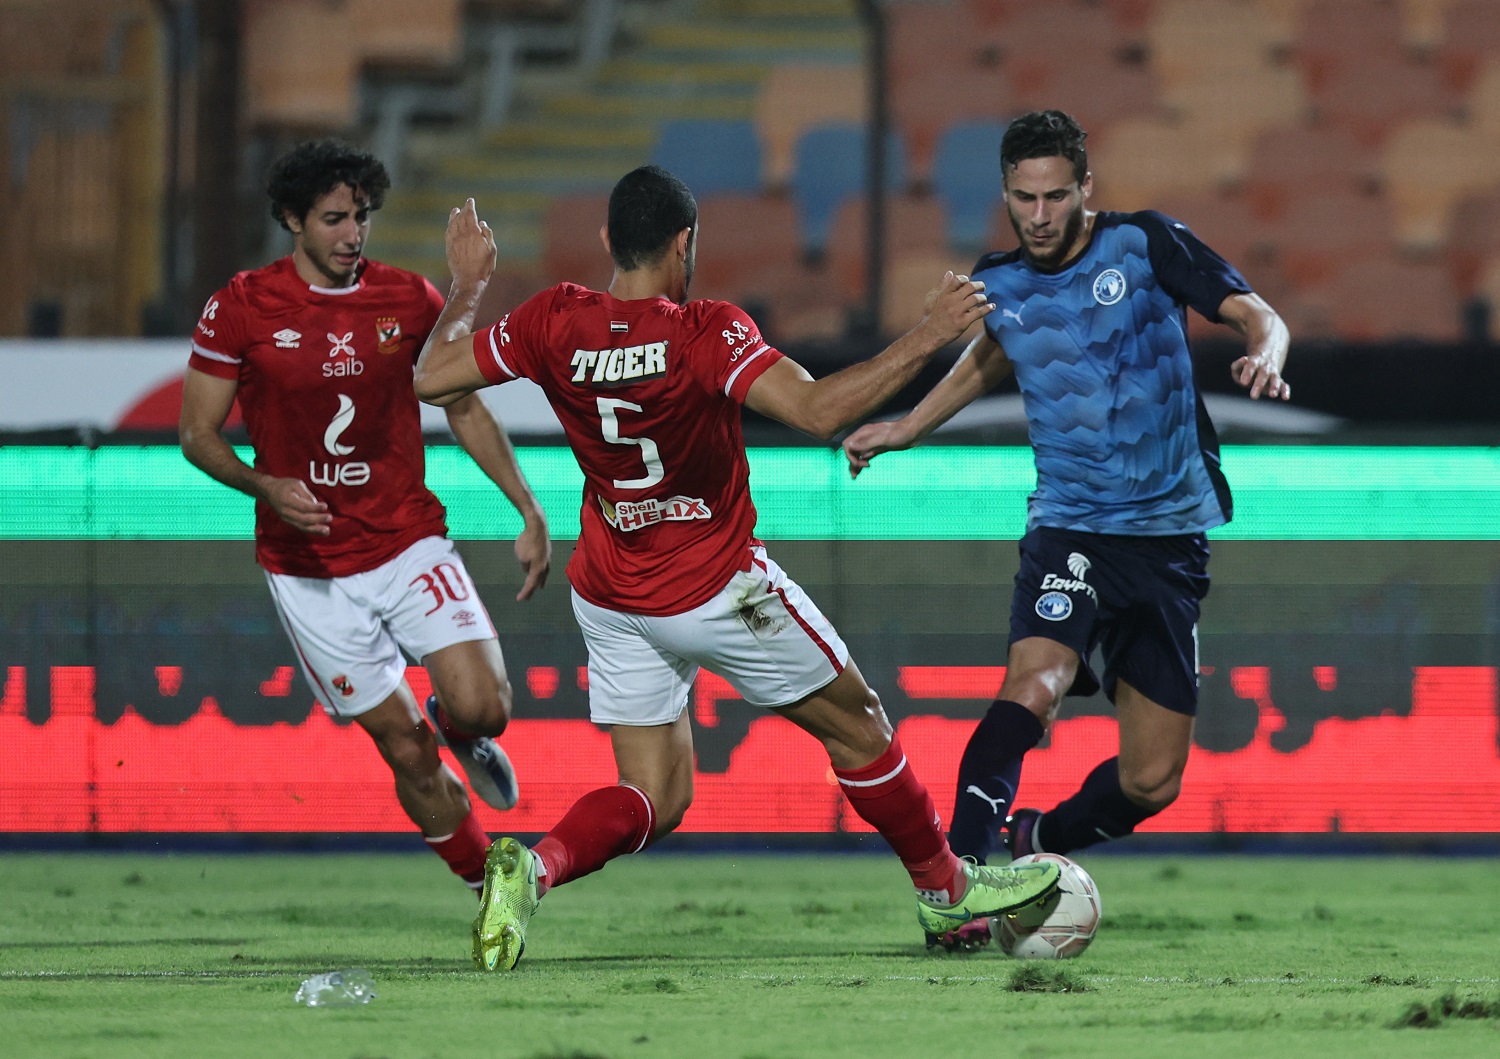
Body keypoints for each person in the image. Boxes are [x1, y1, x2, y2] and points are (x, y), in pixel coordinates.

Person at [413, 165, 1061, 972]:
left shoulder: (553, 319)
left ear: (611, 239)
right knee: (859, 723)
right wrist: (930, 333)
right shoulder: (704, 332)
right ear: (683, 242)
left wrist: (468, 285)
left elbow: (431, 376)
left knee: (656, 795)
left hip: (612, 593)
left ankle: (533, 869)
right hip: (717, 586)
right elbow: (820, 411)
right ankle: (947, 889)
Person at [843, 110, 1292, 951]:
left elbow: (1255, 311)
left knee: (1152, 780)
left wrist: (1266, 349)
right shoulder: (1000, 282)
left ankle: (1036, 838)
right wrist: (905, 428)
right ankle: (957, 884)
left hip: (1168, 542)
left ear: (1086, 187)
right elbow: (990, 355)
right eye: (1025, 199)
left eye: (1056, 196)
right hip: (1071, 529)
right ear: (1006, 195)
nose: (1041, 215)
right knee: (1035, 683)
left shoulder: (1144, 245)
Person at [179, 140, 551, 896]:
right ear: (292, 220)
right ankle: (487, 885)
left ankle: (463, 727)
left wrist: (528, 506)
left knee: (487, 707)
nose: (353, 234)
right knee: (407, 751)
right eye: (334, 220)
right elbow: (196, 434)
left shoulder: (407, 300)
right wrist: (263, 485)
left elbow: (463, 405)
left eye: (362, 217)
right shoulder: (242, 306)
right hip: (308, 567)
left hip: (406, 539)